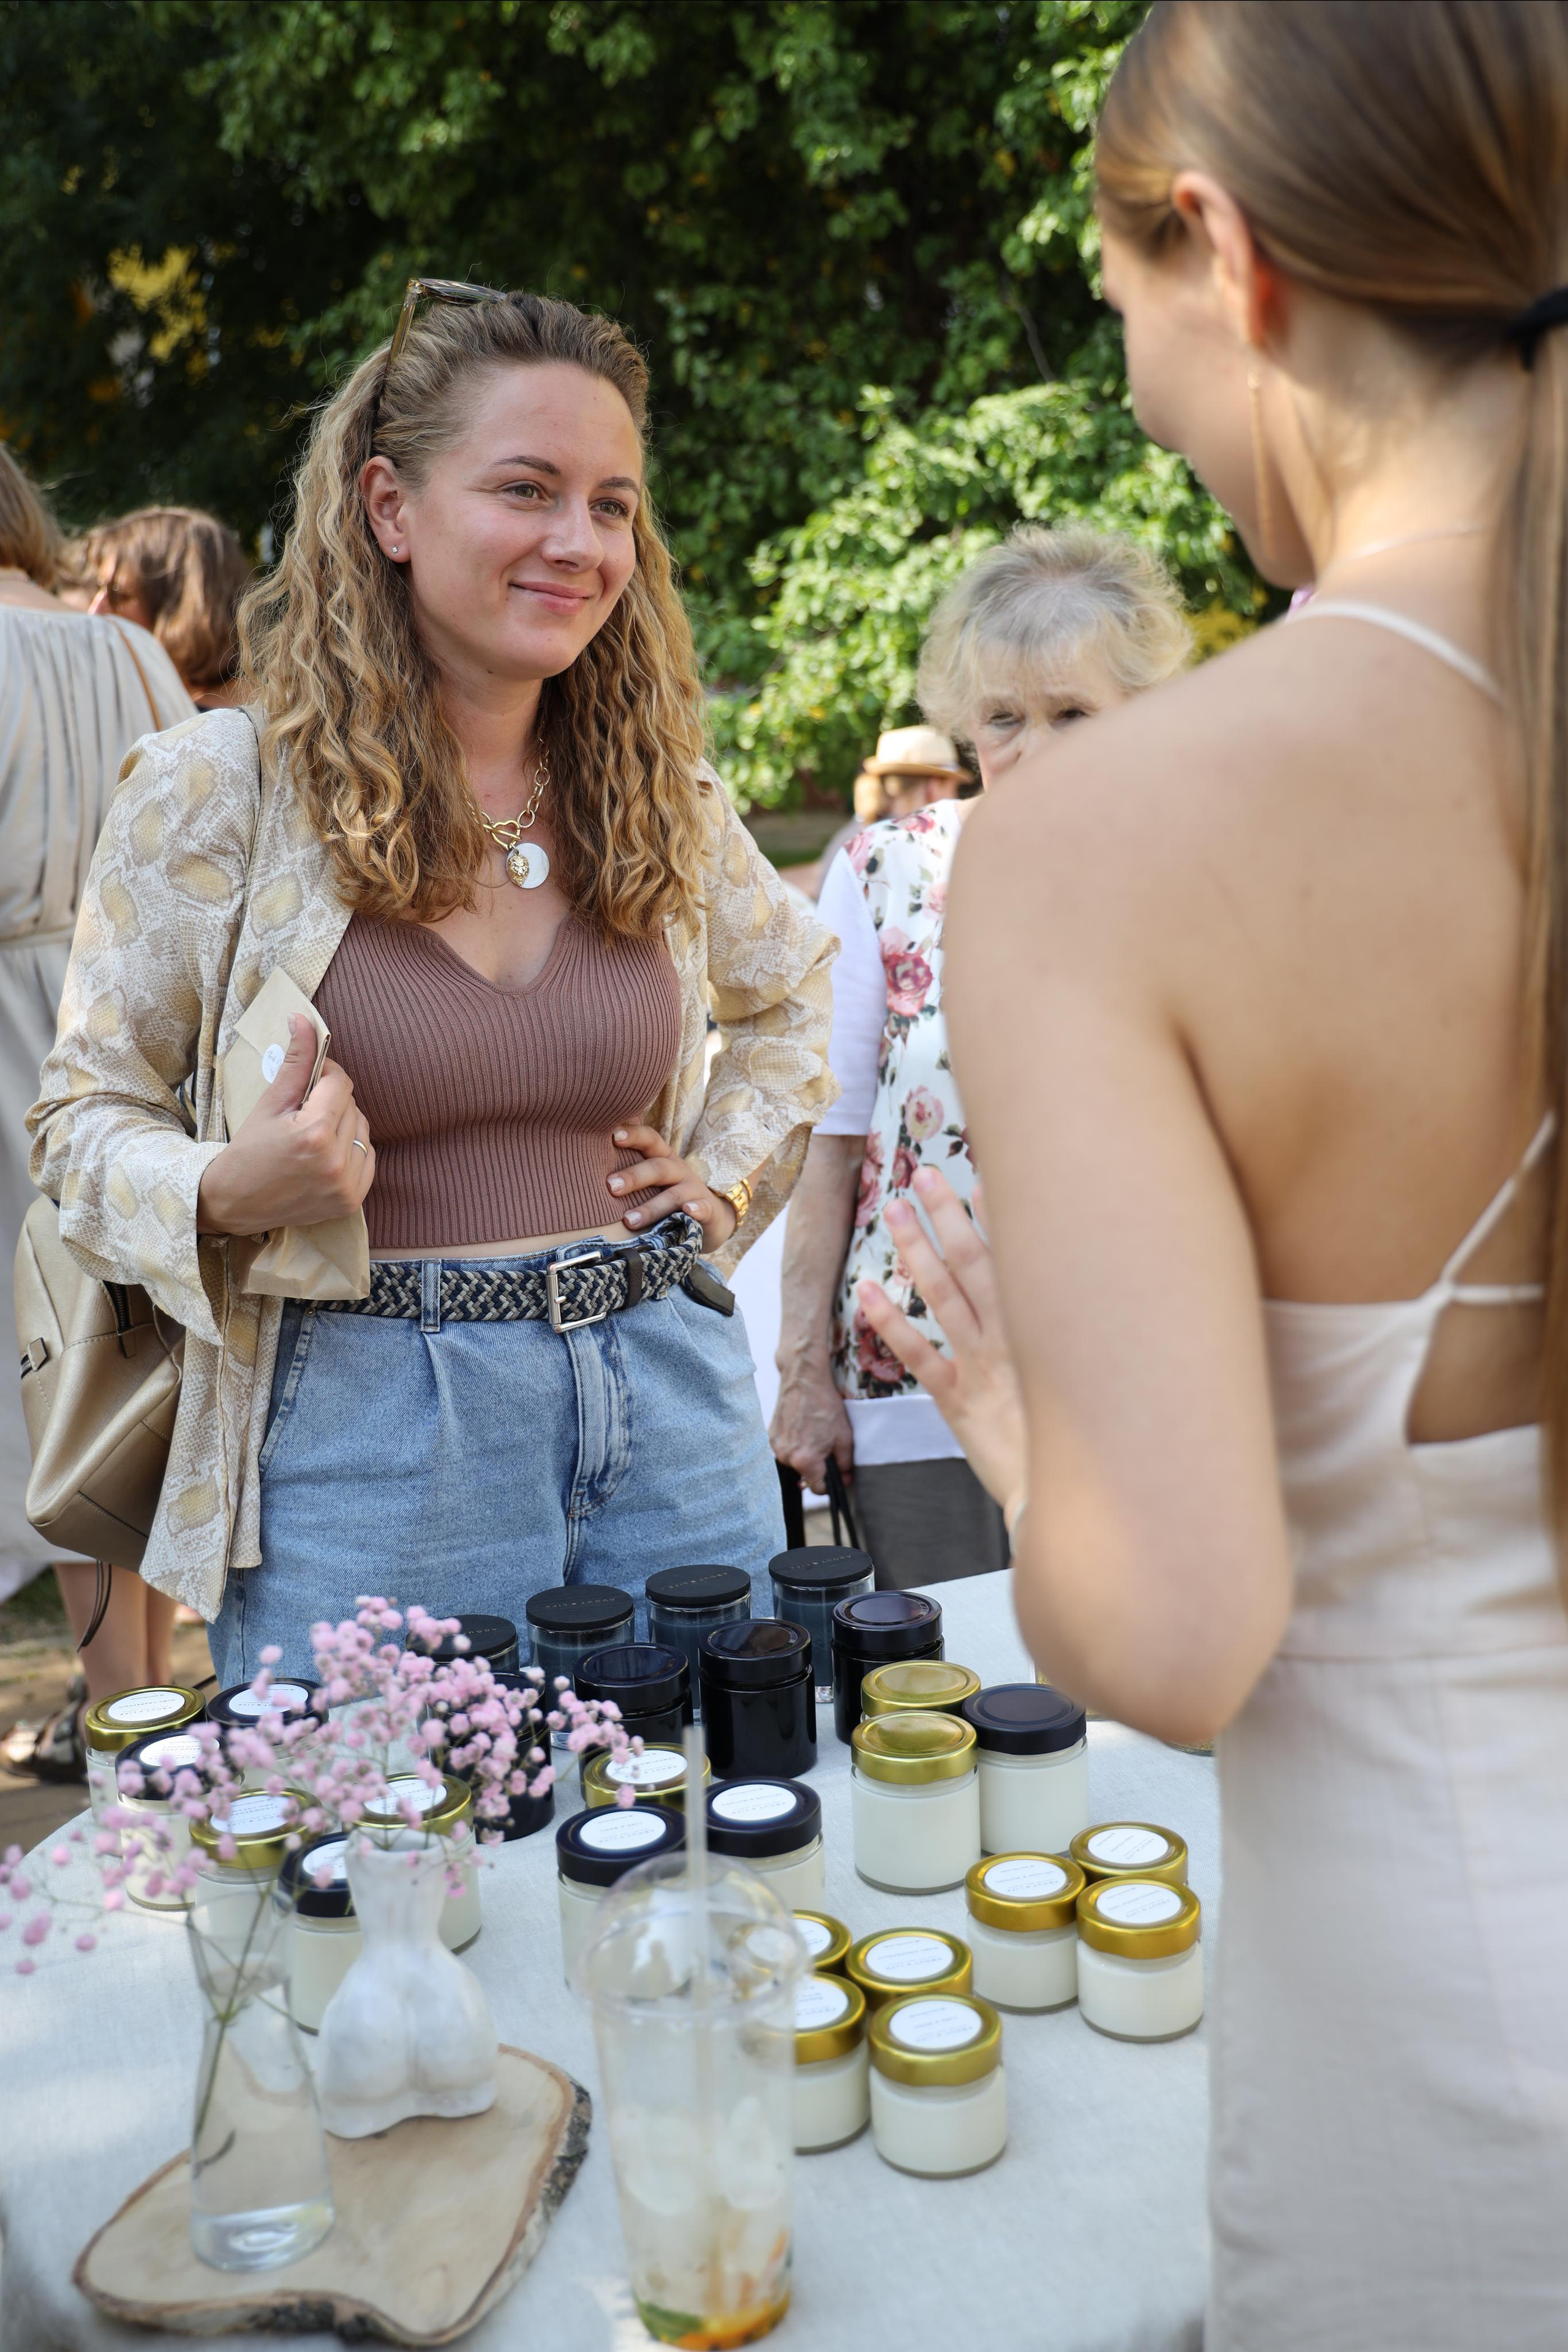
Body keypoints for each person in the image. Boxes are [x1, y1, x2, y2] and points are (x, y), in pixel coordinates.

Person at [856, 3, 1568, 2343]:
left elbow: (1167, 1637)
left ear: (1229, 260)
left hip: (1468, 2071)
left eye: (1118, 314)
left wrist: (1027, 1451)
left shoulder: (1105, 848)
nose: (1145, 393)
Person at [29, 284, 837, 1682]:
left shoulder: (653, 792)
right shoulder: (221, 792)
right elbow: (78, 1128)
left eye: (609, 503)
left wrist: (719, 1188)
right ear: (390, 509)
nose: (577, 542)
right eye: (526, 489)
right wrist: (233, 1187)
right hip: (374, 1427)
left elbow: (794, 997)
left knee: (703, 1841)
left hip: (668, 1394)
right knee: (398, 1869)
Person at [772, 527, 1188, 1585]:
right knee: (950, 1686)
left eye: (1072, 714)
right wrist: (802, 1370)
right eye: (1004, 717)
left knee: (1131, 1694)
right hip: (918, 1366)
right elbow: (832, 1142)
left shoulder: (1201, 864)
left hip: (1145, 1373)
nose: (1034, 748)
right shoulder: (883, 872)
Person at [0, 447, 192, 1758]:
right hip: (134, 1019)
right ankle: (146, 1684)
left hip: (11, 1027)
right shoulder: (131, 654)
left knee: (45, 1367)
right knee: (135, 1349)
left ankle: (115, 1699)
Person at [85, 505, 251, 709]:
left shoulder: (185, 729)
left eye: (119, 595)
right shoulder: (273, 709)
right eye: (99, 588)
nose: (95, 612)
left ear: (182, 606)